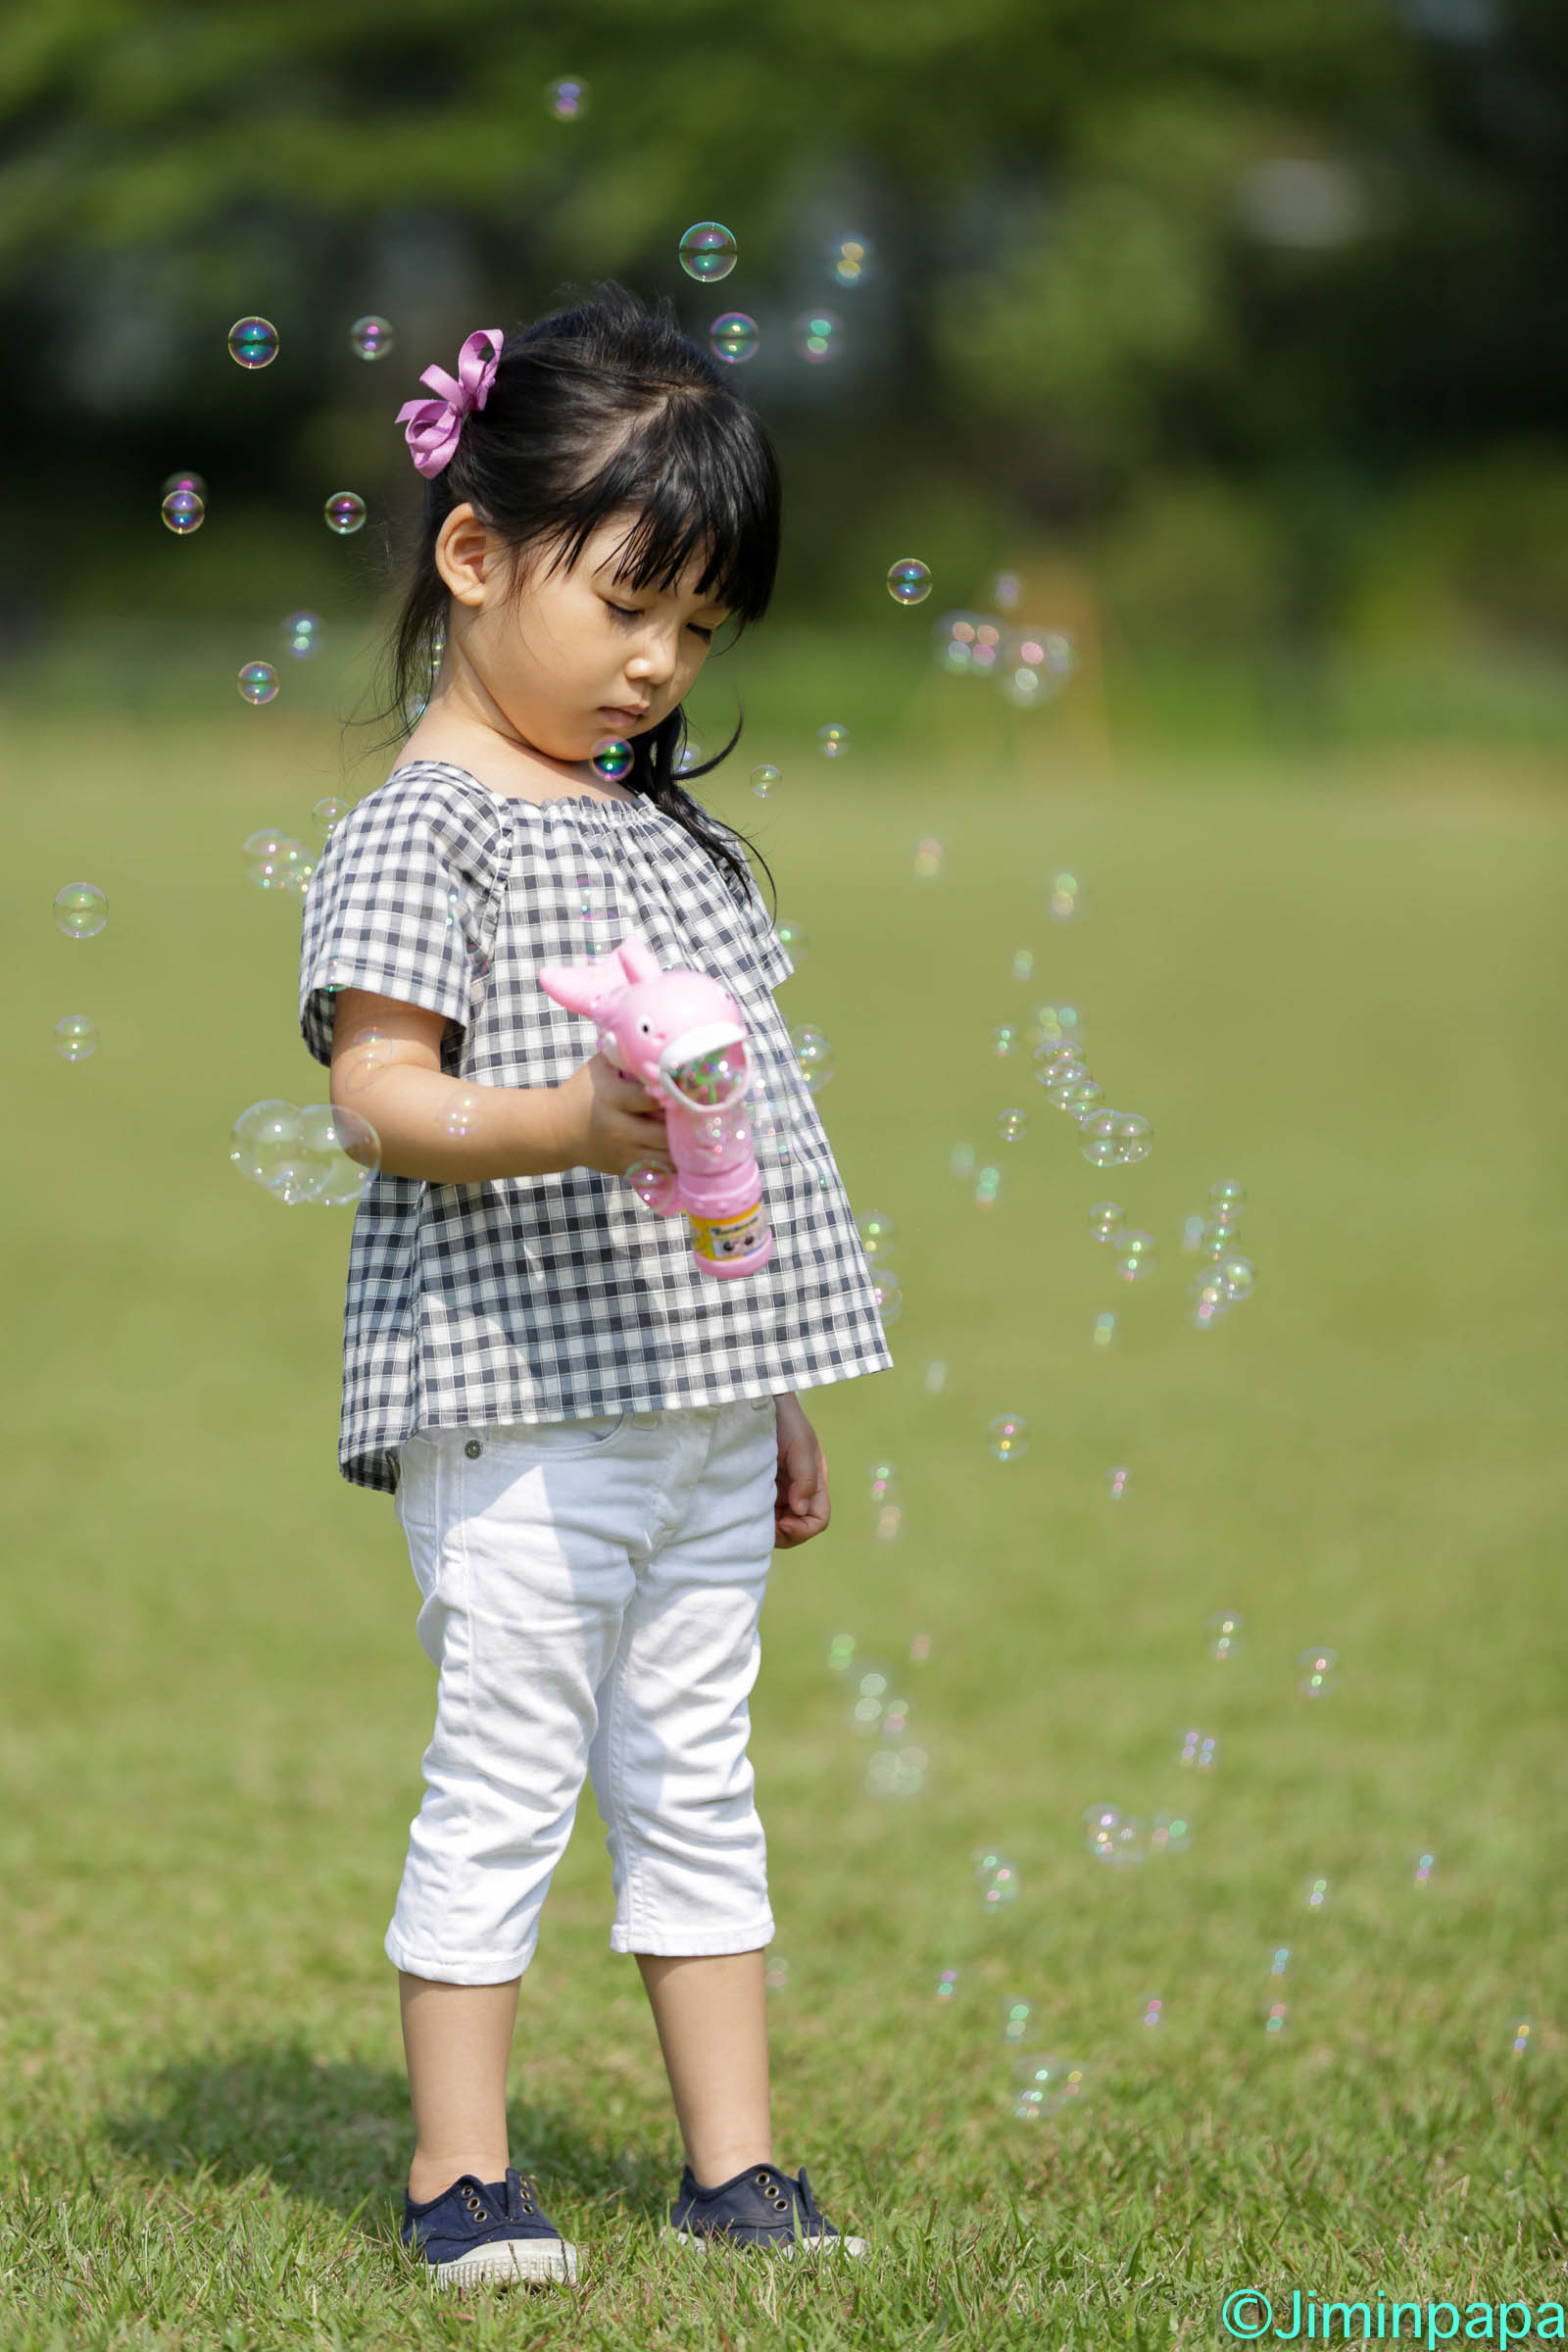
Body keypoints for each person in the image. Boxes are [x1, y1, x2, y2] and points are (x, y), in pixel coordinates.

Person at [297, 281, 893, 2291]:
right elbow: (382, 1097)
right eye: (629, 602)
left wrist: (777, 1383)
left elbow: (735, 1166)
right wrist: (557, 1119)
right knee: (505, 1781)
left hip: (697, 1414)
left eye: (701, 626)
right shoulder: (425, 827)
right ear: (474, 554)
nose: (660, 661)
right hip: (526, 1411)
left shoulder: (672, 845)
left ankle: (735, 2172)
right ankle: (458, 2175)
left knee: (696, 1777)